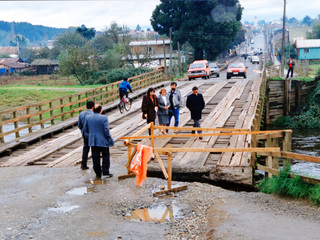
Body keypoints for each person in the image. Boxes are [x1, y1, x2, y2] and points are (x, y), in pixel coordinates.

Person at [83, 104, 114, 179]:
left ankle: (98, 173)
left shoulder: (88, 117)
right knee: (106, 155)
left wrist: (89, 137)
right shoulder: (104, 117)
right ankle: (105, 171)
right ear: (101, 110)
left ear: (93, 110)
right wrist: (109, 138)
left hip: (93, 141)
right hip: (103, 140)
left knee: (95, 157)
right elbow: (106, 130)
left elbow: (85, 129)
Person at [78, 100, 95, 170]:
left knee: (85, 149)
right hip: (92, 134)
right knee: (94, 150)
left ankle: (83, 164)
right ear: (93, 107)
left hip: (85, 134)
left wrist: (83, 130)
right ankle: (95, 165)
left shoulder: (81, 114)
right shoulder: (93, 114)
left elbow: (79, 125)